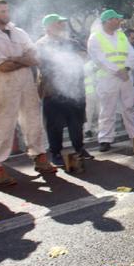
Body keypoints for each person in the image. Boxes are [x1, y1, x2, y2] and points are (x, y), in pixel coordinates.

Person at [0, 0, 56, 186]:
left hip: (26, 82)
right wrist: (22, 60)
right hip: (3, 85)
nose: (6, 14)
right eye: (1, 11)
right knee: (1, 125)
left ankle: (39, 156)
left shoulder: (18, 32)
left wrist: (15, 59)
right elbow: (2, 65)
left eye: (7, 10)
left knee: (33, 120)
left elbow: (35, 56)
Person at [87, 9, 134, 154]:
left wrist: (126, 69)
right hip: (108, 78)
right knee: (108, 109)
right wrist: (118, 71)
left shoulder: (120, 35)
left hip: (125, 76)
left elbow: (131, 54)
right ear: (108, 21)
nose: (119, 21)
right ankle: (105, 139)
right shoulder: (95, 37)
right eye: (116, 19)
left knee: (129, 106)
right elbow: (99, 58)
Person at [35, 14, 92, 166]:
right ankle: (55, 153)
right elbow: (42, 65)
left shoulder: (71, 42)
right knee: (54, 125)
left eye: (62, 23)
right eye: (58, 23)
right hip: (53, 90)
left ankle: (79, 148)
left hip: (74, 88)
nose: (62, 25)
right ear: (48, 26)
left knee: (77, 121)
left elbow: (84, 56)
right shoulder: (41, 45)